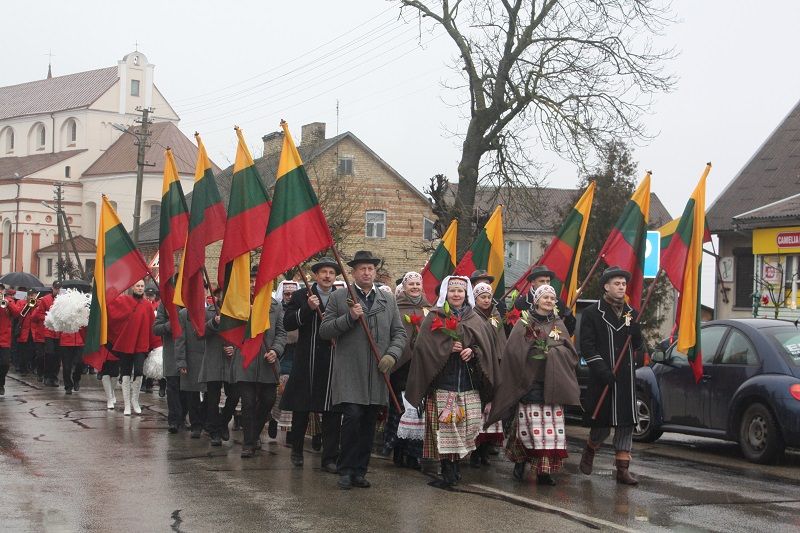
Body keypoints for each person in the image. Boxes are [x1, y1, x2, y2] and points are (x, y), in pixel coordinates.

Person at [319, 250, 407, 490]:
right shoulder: (340, 298)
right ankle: (345, 469)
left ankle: (360, 470)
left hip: (378, 374)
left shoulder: (387, 299)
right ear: (353, 272)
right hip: (350, 371)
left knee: (368, 423)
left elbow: (399, 333)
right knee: (353, 418)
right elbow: (325, 331)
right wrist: (349, 317)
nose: (367, 272)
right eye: (362, 269)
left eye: (370, 268)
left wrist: (392, 355)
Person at [405, 276, 500, 486]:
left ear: (466, 294)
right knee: (447, 429)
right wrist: (448, 348)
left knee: (467, 427)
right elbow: (423, 349)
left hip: (468, 385)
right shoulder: (435, 316)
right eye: (452, 291)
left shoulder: (476, 319)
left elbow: (487, 349)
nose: (456, 295)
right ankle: (448, 472)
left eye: (460, 291)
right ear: (445, 293)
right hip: (444, 385)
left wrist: (472, 351)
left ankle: (456, 469)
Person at [487, 284, 580, 485]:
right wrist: (531, 352)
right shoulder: (524, 323)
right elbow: (512, 352)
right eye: (544, 297)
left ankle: (544, 471)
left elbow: (571, 353)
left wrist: (553, 353)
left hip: (553, 385)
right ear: (536, 300)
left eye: (551, 298)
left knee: (550, 432)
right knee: (528, 430)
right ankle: (520, 461)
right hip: (529, 383)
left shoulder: (558, 324)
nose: (548, 301)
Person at [578, 266, 645, 486]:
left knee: (625, 424)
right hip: (603, 377)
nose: (621, 287)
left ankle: (623, 470)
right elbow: (587, 346)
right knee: (602, 425)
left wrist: (636, 336)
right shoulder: (592, 313)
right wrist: (602, 370)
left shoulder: (631, 314)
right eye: (617, 283)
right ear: (606, 286)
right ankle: (590, 449)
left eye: (624, 284)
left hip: (625, 379)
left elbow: (637, 345)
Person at [281, 258, 343, 472]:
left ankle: (329, 457)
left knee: (332, 410)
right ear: (315, 275)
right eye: (323, 272)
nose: (327, 276)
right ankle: (297, 450)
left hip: (333, 359)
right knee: (302, 407)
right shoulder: (301, 295)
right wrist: (307, 308)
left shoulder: (342, 296)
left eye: (331, 273)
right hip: (306, 357)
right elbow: (288, 322)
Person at [232, 266, 287, 458]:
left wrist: (275, 350)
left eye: (258, 280)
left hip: (267, 364)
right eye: (251, 280)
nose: (255, 284)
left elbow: (281, 333)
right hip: (246, 362)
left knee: (268, 401)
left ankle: (254, 434)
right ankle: (248, 443)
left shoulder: (275, 306)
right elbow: (231, 332)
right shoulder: (237, 305)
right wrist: (247, 315)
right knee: (247, 403)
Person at [382, 271, 431, 469]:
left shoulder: (428, 309)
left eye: (418, 284)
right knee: (400, 411)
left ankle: (414, 454)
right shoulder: (396, 307)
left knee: (418, 413)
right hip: (400, 368)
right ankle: (397, 449)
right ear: (405, 286)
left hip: (420, 367)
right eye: (411, 284)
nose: (415, 287)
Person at [107, 279, 159, 416]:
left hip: (141, 345)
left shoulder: (148, 306)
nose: (140, 288)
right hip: (126, 344)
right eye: (138, 286)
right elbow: (111, 308)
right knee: (125, 373)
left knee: (139, 372)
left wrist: (155, 344)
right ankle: (127, 405)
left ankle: (135, 401)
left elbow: (151, 326)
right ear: (133, 288)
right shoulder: (124, 300)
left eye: (142, 286)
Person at [470, 281, 507, 467]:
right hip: (479, 368)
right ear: (475, 298)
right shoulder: (472, 315)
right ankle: (475, 452)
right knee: (478, 411)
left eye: (488, 297)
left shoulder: (495, 315)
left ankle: (485, 451)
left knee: (490, 411)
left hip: (496, 366)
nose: (486, 300)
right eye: (482, 297)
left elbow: (501, 340)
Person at [199, 287, 239, 446]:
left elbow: (245, 334)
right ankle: (214, 430)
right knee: (212, 399)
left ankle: (224, 422)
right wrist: (213, 322)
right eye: (222, 293)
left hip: (232, 361)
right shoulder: (209, 312)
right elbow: (199, 333)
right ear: (217, 295)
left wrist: (235, 348)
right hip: (213, 359)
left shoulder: (238, 311)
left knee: (235, 395)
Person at [269, 280, 299, 441]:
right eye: (287, 294)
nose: (290, 297)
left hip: (298, 355)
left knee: (295, 394)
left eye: (293, 294)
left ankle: (291, 431)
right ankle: (274, 420)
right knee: (280, 392)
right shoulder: (278, 310)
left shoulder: (301, 309)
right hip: (282, 355)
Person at [514, 265, 576, 336]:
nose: (546, 284)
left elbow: (568, 331)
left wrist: (569, 318)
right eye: (542, 281)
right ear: (533, 282)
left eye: (548, 281)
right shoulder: (521, 303)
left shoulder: (559, 303)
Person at [175, 307, 208, 438]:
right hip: (191, 358)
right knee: (192, 394)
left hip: (209, 357)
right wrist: (181, 361)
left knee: (210, 394)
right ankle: (196, 425)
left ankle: (206, 422)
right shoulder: (184, 314)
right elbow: (180, 339)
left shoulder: (212, 311)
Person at [154, 298, 185, 431]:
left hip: (190, 352)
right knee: (173, 387)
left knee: (187, 390)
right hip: (172, 352)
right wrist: (170, 325)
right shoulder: (165, 304)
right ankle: (174, 420)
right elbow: (156, 329)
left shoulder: (192, 300)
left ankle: (184, 418)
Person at [36, 281, 62, 387]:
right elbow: (39, 314)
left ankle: (54, 377)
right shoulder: (45, 299)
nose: (57, 290)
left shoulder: (62, 300)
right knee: (50, 354)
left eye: (59, 288)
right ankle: (47, 376)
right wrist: (49, 318)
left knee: (57, 356)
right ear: (52, 288)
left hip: (59, 332)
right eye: (56, 288)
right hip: (48, 332)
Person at [0, 283, 21, 396]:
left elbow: (17, 313)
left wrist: (8, 304)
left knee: (4, 364)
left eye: (1, 290)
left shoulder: (8, 301)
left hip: (4, 339)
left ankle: (1, 383)